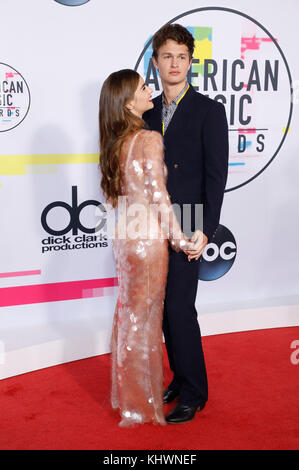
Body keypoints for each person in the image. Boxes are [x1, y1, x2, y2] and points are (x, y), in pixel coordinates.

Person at [143, 23, 229, 424]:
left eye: (181, 56)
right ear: (155, 61)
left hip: (190, 218)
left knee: (179, 309)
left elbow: (216, 176)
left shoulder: (209, 111)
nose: (174, 63)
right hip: (150, 219)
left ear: (191, 62)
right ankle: (179, 377)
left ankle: (195, 392)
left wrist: (206, 229)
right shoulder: (145, 112)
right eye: (167, 56)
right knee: (161, 310)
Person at [99, 69, 192, 427]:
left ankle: (131, 399)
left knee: (129, 317)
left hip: (125, 238)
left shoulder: (112, 143)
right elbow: (159, 199)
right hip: (148, 241)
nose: (149, 89)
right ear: (128, 104)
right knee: (146, 322)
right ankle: (142, 405)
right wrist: (180, 240)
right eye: (143, 87)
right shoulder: (148, 139)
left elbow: (116, 200)